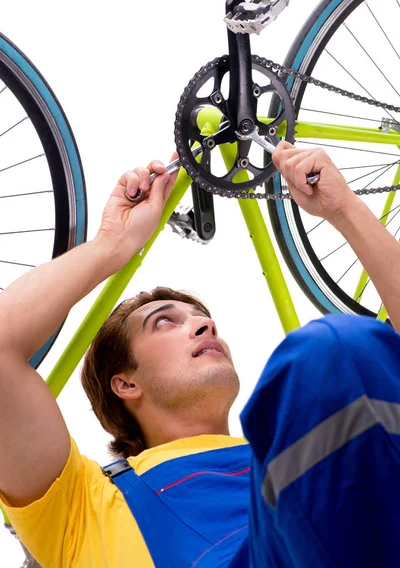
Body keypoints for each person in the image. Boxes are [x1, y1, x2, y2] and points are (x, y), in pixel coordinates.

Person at [1, 142, 400, 568]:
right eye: (164, 322)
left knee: (341, 359)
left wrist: (344, 210)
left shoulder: (306, 456)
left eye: (203, 318)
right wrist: (113, 244)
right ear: (125, 382)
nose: (205, 325)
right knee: (331, 353)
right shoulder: (82, 506)